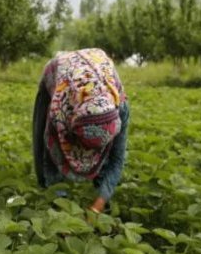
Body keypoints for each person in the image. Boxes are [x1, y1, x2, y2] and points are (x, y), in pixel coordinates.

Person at [32, 48, 129, 214]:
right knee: (41, 139)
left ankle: (101, 191)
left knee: (106, 161)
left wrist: (98, 205)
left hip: (98, 73)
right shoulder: (59, 110)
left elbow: (116, 159)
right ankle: (49, 192)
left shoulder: (120, 108)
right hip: (61, 71)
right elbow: (50, 149)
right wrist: (60, 207)